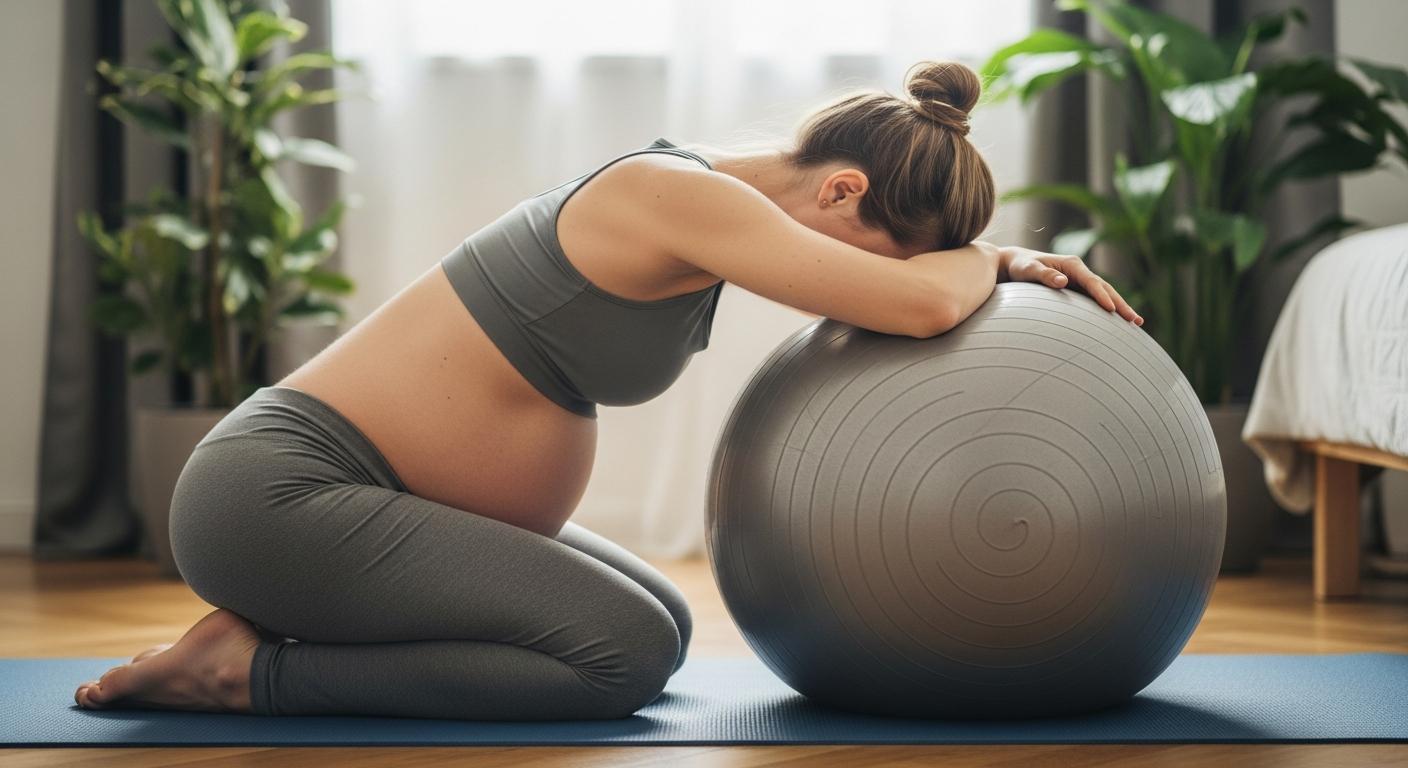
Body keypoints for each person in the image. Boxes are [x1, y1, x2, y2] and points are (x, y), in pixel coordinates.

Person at [73, 60, 1140, 720]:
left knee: (663, 627)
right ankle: (243, 676)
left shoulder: (709, 207)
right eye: (891, 248)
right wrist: (987, 261)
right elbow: (912, 308)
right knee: (614, 658)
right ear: (842, 187)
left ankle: (244, 648)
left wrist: (970, 258)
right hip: (278, 502)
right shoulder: (674, 195)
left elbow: (900, 292)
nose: (891, 273)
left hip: (353, 505)